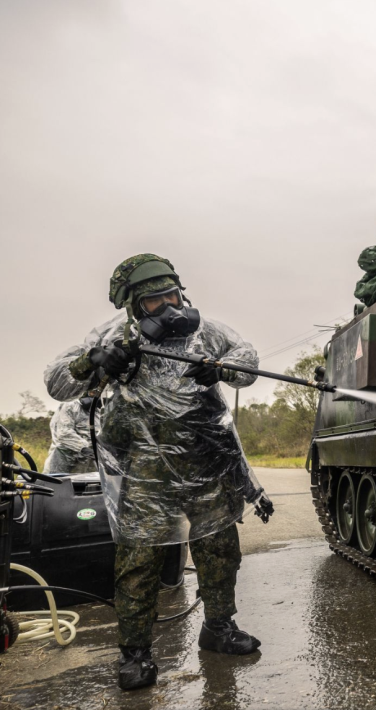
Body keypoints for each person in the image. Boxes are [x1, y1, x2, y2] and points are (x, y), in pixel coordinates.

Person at [44, 254, 273, 691]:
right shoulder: (112, 336)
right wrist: (94, 363)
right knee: (139, 562)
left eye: (173, 295)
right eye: (155, 300)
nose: (168, 306)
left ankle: (219, 628)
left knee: (220, 551)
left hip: (206, 462)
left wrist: (223, 367)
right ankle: (135, 654)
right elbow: (58, 384)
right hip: (144, 473)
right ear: (134, 305)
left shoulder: (205, 331)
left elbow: (248, 358)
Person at [42, 397, 98, 474]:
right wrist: (84, 448)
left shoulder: (98, 410)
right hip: (63, 459)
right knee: (58, 484)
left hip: (86, 465)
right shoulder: (70, 406)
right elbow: (64, 433)